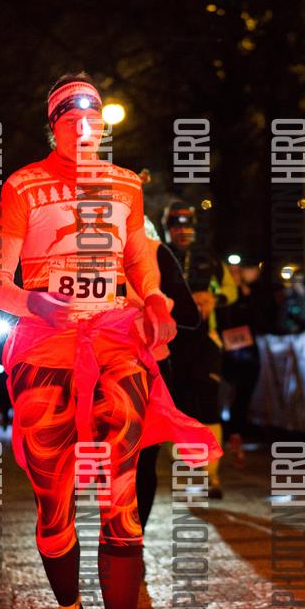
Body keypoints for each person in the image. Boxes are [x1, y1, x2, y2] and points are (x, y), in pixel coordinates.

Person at [0, 73, 222, 609]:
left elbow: (139, 258)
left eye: (93, 118)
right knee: (54, 499)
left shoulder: (126, 185)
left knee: (121, 498)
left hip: (116, 347)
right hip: (45, 354)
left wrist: (155, 299)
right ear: (53, 127)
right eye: (71, 119)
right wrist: (38, 304)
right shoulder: (22, 186)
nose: (85, 128)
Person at [126, 185, 201, 533]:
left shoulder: (85, 253)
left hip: (111, 367)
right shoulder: (156, 252)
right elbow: (189, 314)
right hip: (145, 368)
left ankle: (123, 535)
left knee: (120, 457)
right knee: (140, 458)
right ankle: (130, 538)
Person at [162, 201, 237, 498]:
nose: (182, 231)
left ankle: (211, 475)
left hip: (206, 341)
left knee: (208, 404)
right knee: (177, 407)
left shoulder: (210, 259)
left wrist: (213, 299)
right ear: (167, 228)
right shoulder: (158, 255)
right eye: (176, 225)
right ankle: (183, 471)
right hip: (171, 341)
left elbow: (230, 290)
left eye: (188, 225)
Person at [218, 261, 262, 468]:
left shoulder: (250, 295)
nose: (235, 274)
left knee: (243, 396)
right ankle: (221, 436)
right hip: (227, 352)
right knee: (222, 395)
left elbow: (259, 319)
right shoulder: (222, 296)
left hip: (248, 352)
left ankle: (236, 435)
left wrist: (247, 295)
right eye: (231, 271)